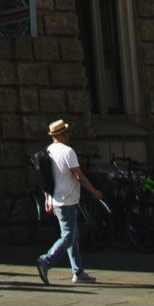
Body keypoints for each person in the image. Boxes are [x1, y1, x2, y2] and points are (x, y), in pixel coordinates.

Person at [35, 119, 102, 287]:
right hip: (67, 200)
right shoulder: (68, 152)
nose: (68, 136)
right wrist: (94, 192)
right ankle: (46, 260)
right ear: (62, 135)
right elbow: (79, 176)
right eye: (66, 133)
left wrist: (47, 198)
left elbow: (46, 178)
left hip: (57, 200)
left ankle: (78, 272)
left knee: (73, 236)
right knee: (68, 236)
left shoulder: (48, 151)